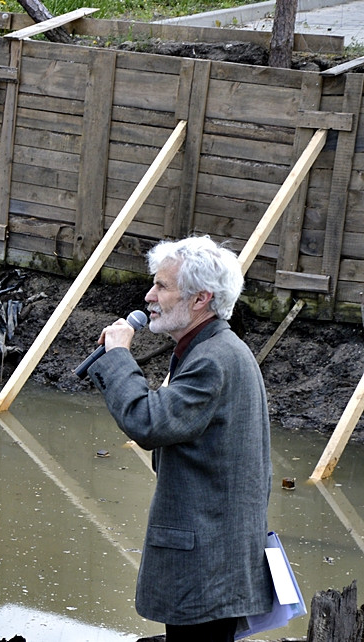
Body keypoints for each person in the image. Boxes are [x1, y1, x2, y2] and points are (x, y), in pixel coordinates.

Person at [86, 235, 273, 642]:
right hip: (215, 558)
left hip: (207, 562)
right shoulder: (215, 349)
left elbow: (147, 423)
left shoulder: (212, 360)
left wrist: (118, 356)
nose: (149, 296)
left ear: (200, 298)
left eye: (162, 286)